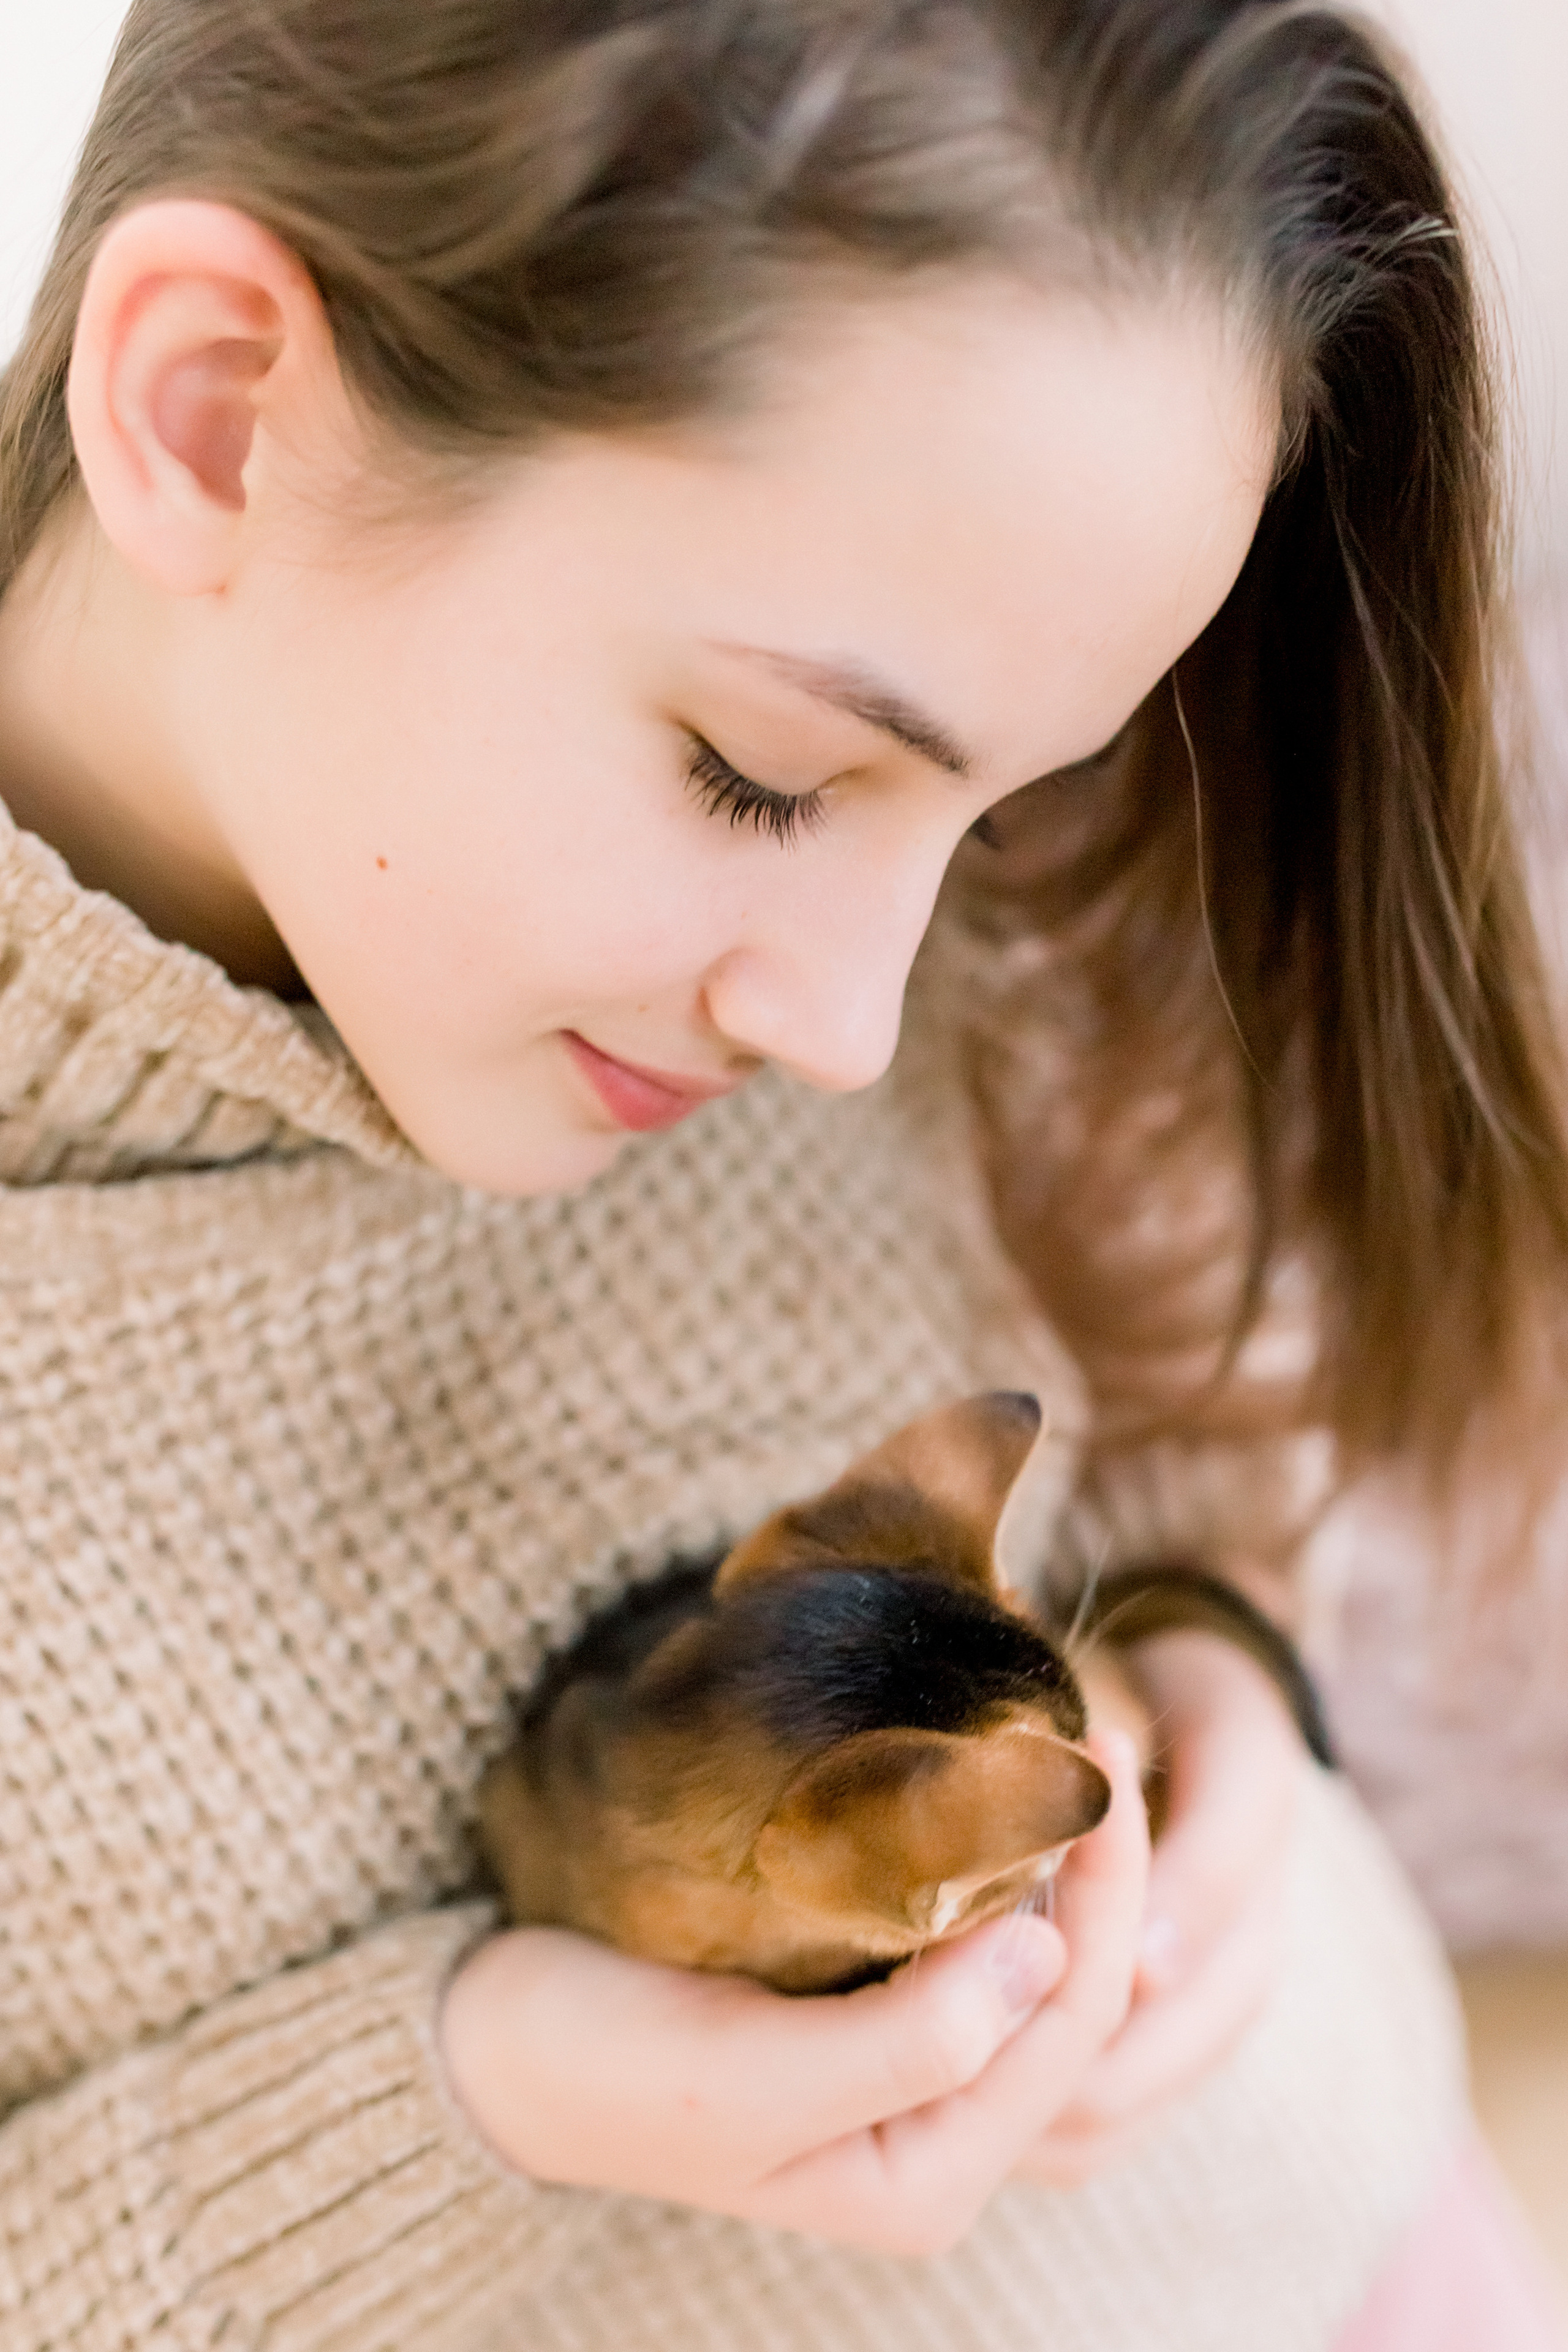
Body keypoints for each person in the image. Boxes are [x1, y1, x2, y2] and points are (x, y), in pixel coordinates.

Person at [0, 1, 1562, 2346]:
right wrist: (474, 2095)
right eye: (759, 773)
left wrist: (1226, 1690)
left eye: (1004, 809)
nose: (852, 1027)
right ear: (214, 411)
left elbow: (1159, 1458)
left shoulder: (943, 903)